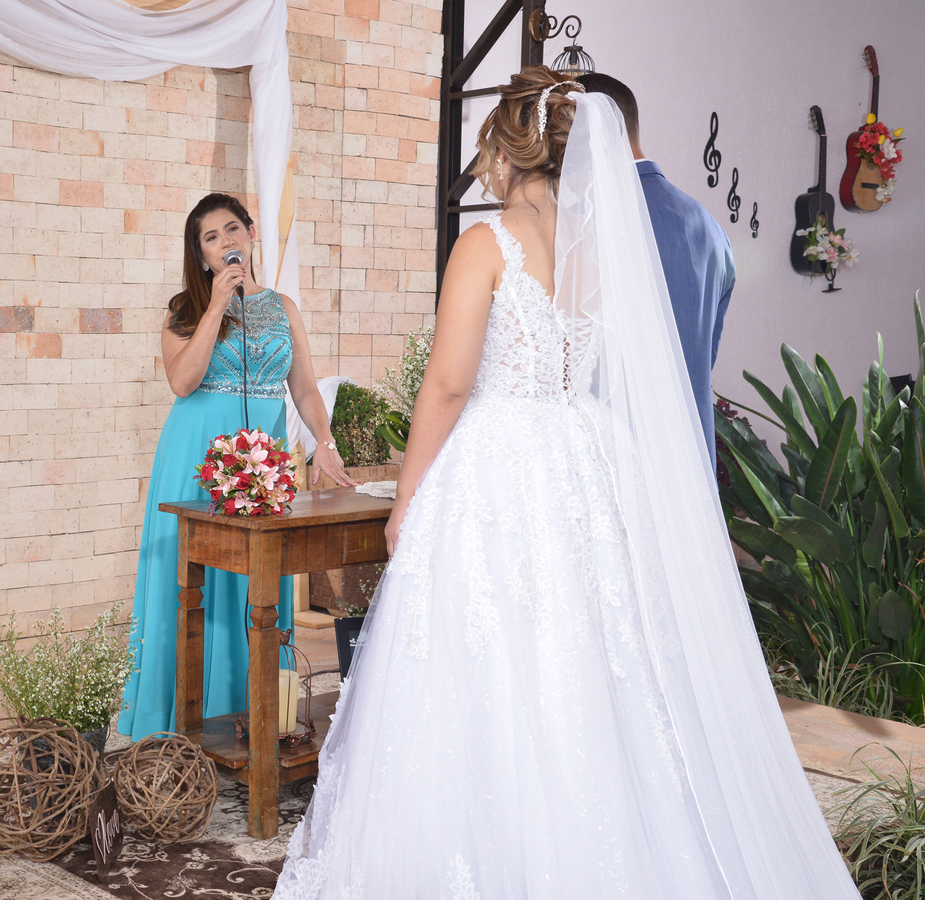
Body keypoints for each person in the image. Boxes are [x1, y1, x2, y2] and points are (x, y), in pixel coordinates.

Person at [274, 70, 859, 899]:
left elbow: (445, 386)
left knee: (484, 656)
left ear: (507, 150)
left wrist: (406, 501)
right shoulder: (599, 250)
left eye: (484, 143)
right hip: (580, 464)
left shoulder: (485, 243)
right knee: (588, 658)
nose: (478, 162)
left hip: (500, 457)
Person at [118, 192, 353, 741]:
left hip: (262, 457)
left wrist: (325, 441)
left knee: (259, 576)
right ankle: (178, 717)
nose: (226, 242)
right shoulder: (185, 309)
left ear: (251, 235)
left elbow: (304, 387)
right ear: (201, 255)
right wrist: (217, 307)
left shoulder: (283, 307)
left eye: (232, 230)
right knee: (192, 579)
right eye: (211, 237)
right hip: (197, 455)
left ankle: (257, 710)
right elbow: (182, 381)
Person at [578, 72, 735, 470]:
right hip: (690, 456)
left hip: (614, 458)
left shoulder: (590, 220)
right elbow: (704, 353)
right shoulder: (710, 227)